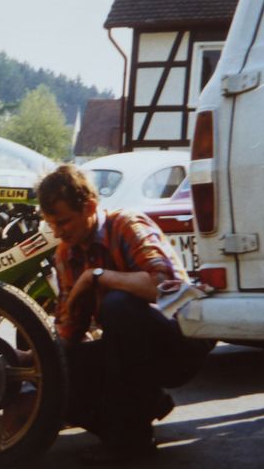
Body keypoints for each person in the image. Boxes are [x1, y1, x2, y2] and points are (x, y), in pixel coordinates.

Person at [36, 164, 213, 465]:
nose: (58, 232)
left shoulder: (128, 225)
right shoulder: (65, 253)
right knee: (58, 370)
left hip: (178, 342)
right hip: (129, 350)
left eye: (64, 222)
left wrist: (98, 276)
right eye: (52, 224)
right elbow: (70, 333)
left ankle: (131, 439)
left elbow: (163, 287)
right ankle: (139, 414)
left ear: (90, 207)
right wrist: (32, 359)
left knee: (117, 305)